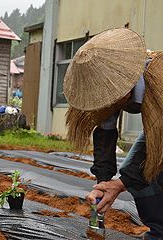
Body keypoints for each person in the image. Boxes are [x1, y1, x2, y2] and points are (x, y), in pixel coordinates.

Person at [63, 27, 163, 239]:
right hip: (157, 129)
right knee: (134, 173)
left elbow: (159, 142)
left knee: (149, 172)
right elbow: (105, 135)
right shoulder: (105, 92)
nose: (106, 105)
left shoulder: (159, 78)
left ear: (126, 84)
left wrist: (120, 184)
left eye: (112, 98)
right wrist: (103, 182)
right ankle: (159, 230)